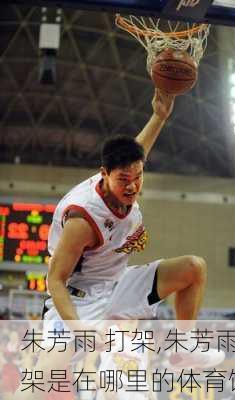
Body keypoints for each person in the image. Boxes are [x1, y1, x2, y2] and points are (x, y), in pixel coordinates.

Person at [14, 89, 223, 400]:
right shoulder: (83, 220)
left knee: (193, 268)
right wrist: (80, 328)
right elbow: (54, 281)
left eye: (138, 177)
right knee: (37, 386)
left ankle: (184, 349)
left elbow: (139, 150)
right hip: (79, 300)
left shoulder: (129, 172)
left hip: (117, 285)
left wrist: (159, 116)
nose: (133, 186)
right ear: (104, 175)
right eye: (124, 180)